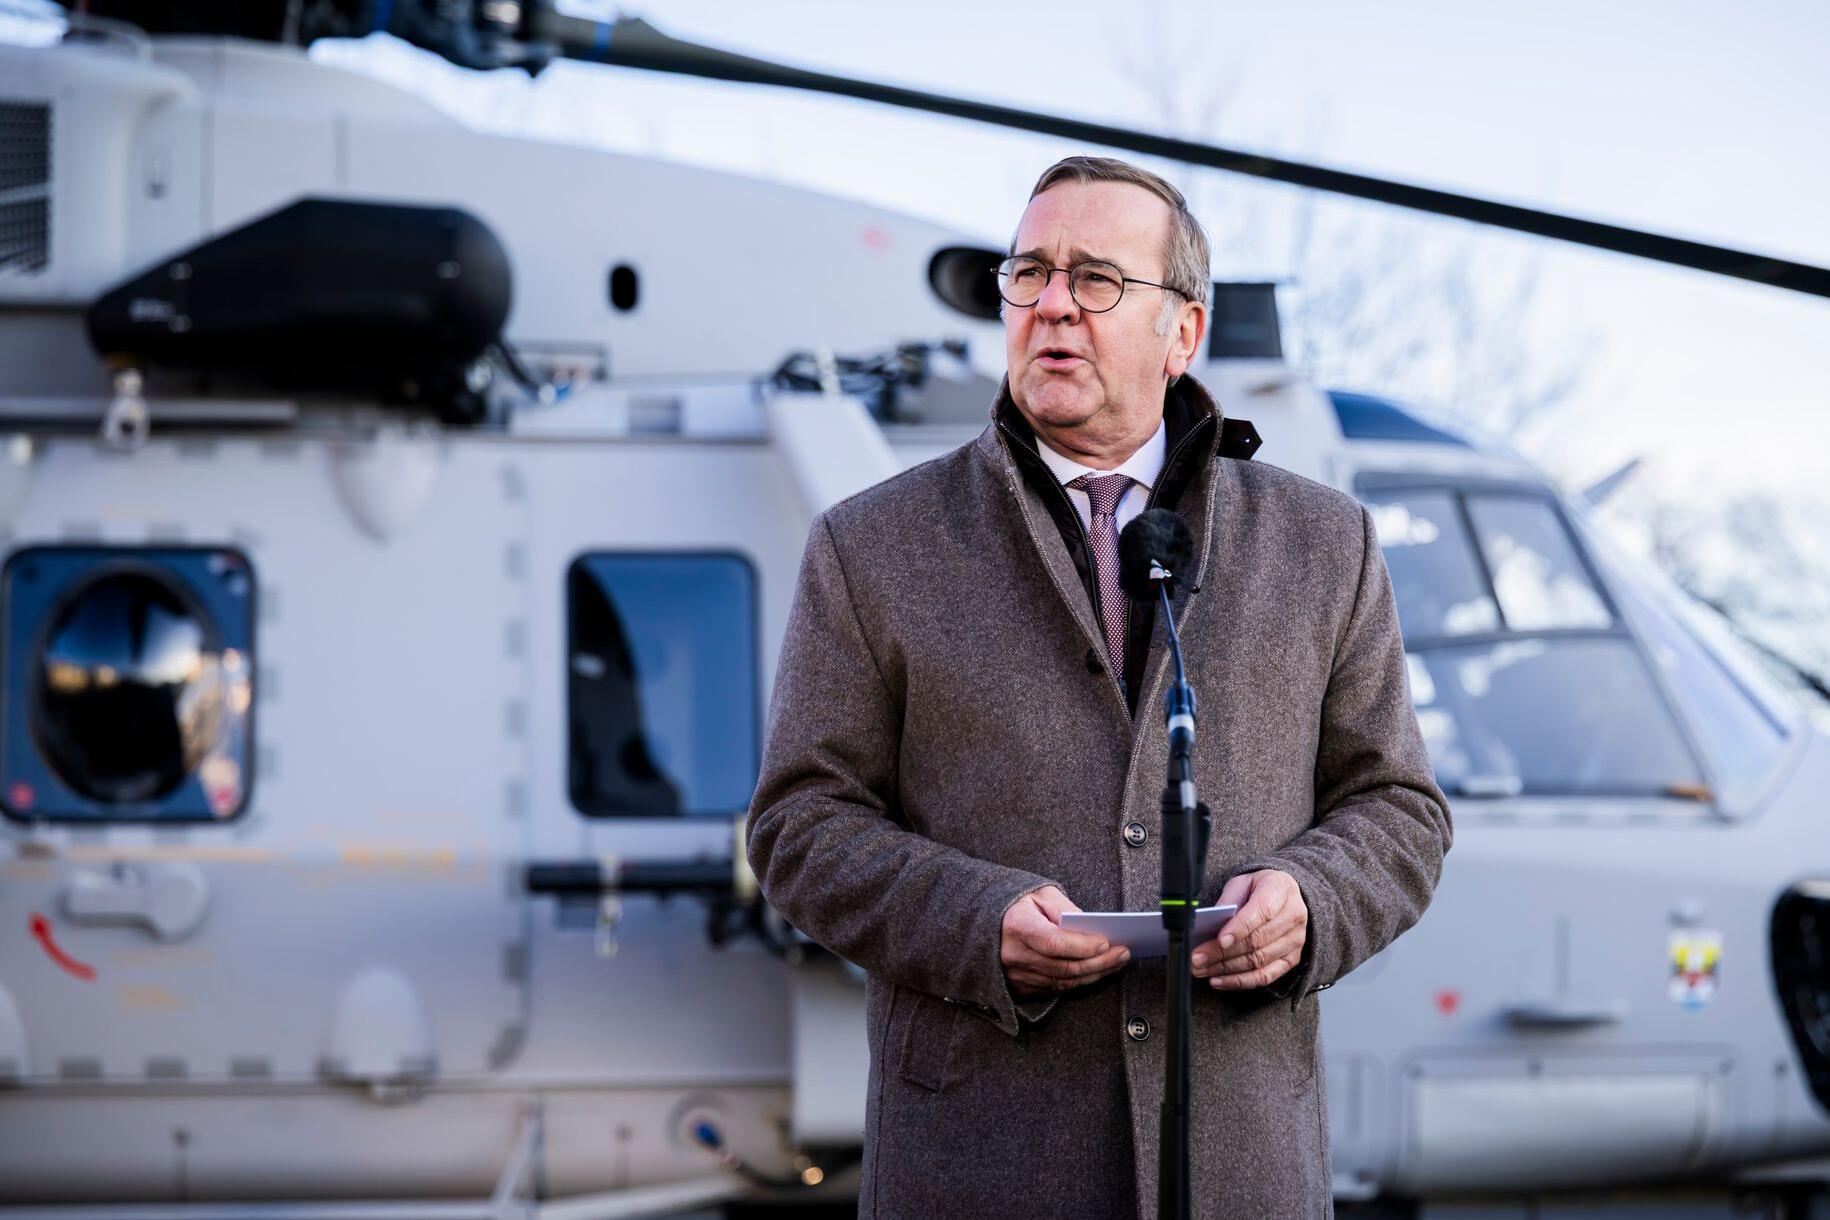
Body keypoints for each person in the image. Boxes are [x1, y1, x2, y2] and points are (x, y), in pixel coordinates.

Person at [746, 154, 1451, 1219]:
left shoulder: (1324, 543)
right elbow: (800, 824)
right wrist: (976, 920)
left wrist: (1310, 900)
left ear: (1183, 333)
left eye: (1096, 278)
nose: (1053, 305)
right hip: (978, 1171)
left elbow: (1400, 809)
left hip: (1241, 1173)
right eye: (1029, 273)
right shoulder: (871, 546)